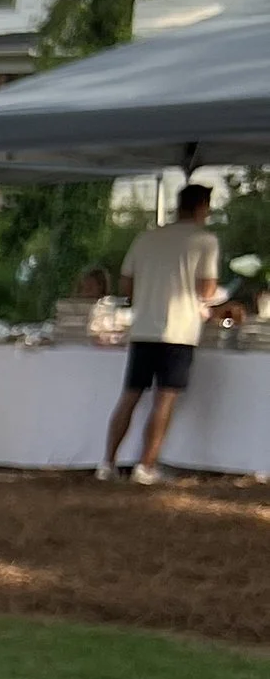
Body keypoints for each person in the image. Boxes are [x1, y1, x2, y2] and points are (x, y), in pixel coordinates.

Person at [100, 183, 220, 482]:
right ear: (202, 207)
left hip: (143, 328)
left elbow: (126, 284)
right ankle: (146, 465)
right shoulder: (205, 240)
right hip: (179, 330)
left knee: (129, 397)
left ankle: (108, 463)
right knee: (164, 401)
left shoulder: (147, 237)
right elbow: (207, 289)